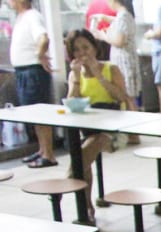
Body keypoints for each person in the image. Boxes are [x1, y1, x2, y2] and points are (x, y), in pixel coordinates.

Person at [64, 28, 132, 221]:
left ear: (94, 47)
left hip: (113, 131)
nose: (82, 53)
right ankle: (87, 207)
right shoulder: (75, 74)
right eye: (76, 49)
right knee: (84, 159)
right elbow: (71, 104)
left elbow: (122, 97)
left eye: (85, 47)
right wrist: (76, 78)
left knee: (81, 159)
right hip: (87, 130)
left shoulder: (111, 69)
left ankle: (67, 190)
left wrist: (98, 75)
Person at [10, 0, 56, 169]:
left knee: (40, 113)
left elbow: (43, 38)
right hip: (23, 71)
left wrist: (39, 54)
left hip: (33, 71)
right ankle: (42, 150)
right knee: (33, 115)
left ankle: (49, 154)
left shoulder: (32, 16)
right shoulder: (21, 17)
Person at [91, 0, 140, 143]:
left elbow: (119, 41)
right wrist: (105, 18)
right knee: (129, 97)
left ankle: (134, 134)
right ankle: (133, 134)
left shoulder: (123, 16)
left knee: (128, 97)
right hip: (126, 60)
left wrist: (101, 35)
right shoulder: (124, 15)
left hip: (124, 61)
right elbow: (120, 24)